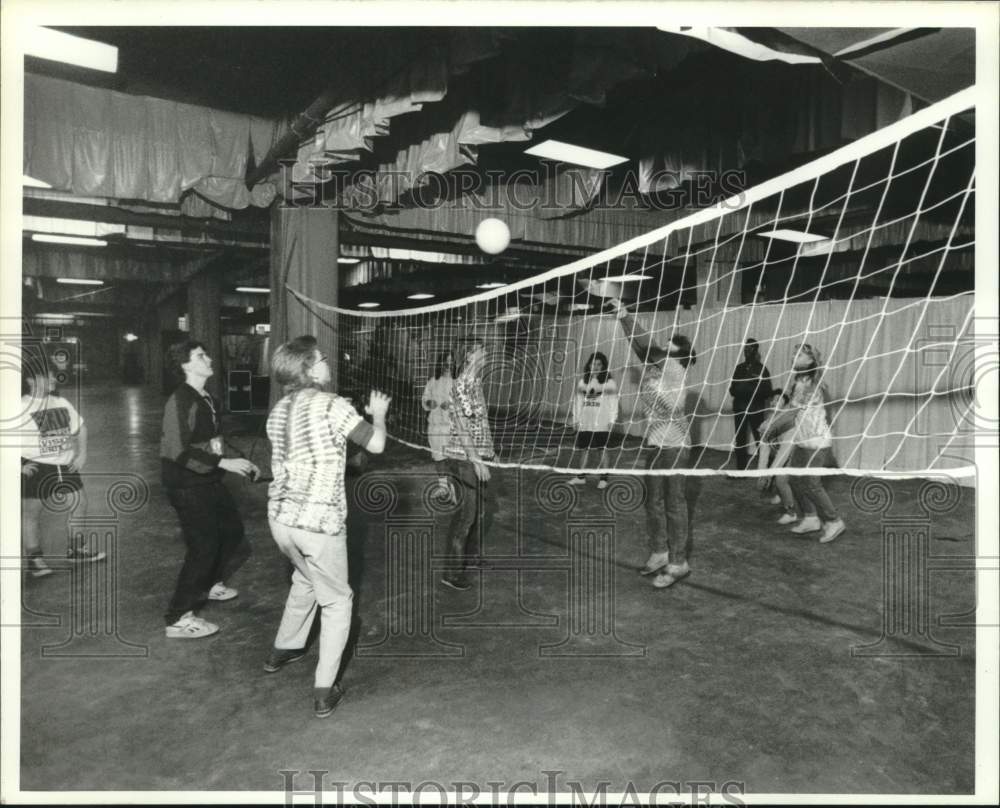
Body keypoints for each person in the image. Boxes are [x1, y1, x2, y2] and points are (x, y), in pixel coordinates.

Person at [263, 336, 389, 719]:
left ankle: (283, 649)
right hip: (319, 523)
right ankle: (324, 689)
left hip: (281, 521)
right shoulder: (333, 405)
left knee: (305, 580)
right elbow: (377, 445)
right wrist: (377, 414)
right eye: (320, 358)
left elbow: (318, 454)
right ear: (308, 368)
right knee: (337, 601)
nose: (326, 360)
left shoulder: (278, 410)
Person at [160, 340, 259, 639]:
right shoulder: (180, 399)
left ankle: (210, 584)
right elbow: (178, 451)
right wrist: (225, 464)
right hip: (186, 482)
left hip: (209, 479)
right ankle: (178, 617)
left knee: (232, 532)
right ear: (186, 365)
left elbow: (215, 441)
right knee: (203, 547)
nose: (209, 358)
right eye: (201, 355)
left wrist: (239, 459)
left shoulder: (208, 399)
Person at [610, 299, 700, 589]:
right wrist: (624, 321)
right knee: (653, 502)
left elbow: (646, 346)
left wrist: (626, 315)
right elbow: (641, 348)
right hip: (654, 443)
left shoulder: (675, 369)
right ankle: (660, 551)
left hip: (676, 445)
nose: (663, 346)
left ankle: (678, 561)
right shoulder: (654, 369)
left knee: (674, 503)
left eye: (668, 344)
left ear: (678, 353)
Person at [20, 362, 106, 578]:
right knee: (32, 513)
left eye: (52, 377)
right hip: (37, 467)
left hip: (65, 465)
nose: (52, 380)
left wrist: (82, 454)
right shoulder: (19, 406)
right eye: (47, 377)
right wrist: (19, 465)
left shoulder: (61, 402)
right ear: (30, 381)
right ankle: (34, 559)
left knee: (80, 503)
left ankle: (76, 550)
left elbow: (81, 427)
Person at [774, 344, 846, 544]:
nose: (793, 356)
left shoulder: (813, 384)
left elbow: (792, 412)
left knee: (812, 484)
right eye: (793, 352)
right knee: (796, 480)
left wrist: (769, 425)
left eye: (799, 354)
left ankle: (834, 521)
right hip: (802, 440)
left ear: (810, 361)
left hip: (817, 442)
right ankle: (811, 517)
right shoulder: (798, 380)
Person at [440, 339, 498, 591]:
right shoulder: (461, 386)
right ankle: (451, 573)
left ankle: (471, 557)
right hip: (464, 458)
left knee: (480, 511)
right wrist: (476, 460)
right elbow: (463, 430)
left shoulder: (476, 383)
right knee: (466, 515)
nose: (486, 354)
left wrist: (491, 452)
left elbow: (480, 423)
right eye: (482, 351)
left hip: (478, 454)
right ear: (470, 356)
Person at [756, 388, 816, 526]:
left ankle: (793, 513)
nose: (774, 402)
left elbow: (784, 453)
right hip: (784, 454)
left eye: (778, 399)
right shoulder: (766, 424)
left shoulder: (790, 424)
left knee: (781, 480)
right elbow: (764, 451)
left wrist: (768, 475)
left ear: (786, 404)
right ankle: (782, 495)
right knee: (777, 475)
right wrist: (760, 474)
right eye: (773, 399)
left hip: (801, 453)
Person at [570, 351, 619, 488]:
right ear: (589, 365)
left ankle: (604, 479)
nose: (596, 366)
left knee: (602, 450)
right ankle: (581, 477)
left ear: (603, 366)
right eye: (593, 364)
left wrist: (612, 420)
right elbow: (578, 402)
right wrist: (576, 419)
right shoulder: (582, 382)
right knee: (583, 450)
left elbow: (613, 403)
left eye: (599, 364)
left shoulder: (609, 383)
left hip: (602, 424)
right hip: (585, 423)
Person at [729, 338, 773, 470]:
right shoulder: (739, 368)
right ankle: (740, 471)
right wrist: (745, 388)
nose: (746, 351)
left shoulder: (762, 369)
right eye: (745, 349)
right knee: (740, 441)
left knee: (760, 441)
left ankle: (764, 471)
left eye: (750, 349)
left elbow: (767, 392)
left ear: (755, 351)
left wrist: (749, 389)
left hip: (756, 409)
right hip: (740, 409)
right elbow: (732, 389)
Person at [422, 351, 456, 500]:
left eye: (451, 362)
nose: (448, 365)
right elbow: (425, 399)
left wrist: (451, 405)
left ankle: (454, 487)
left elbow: (463, 403)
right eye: (445, 362)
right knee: (438, 457)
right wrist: (430, 402)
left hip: (450, 426)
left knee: (451, 458)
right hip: (435, 426)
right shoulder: (433, 381)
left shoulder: (457, 382)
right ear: (441, 364)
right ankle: (443, 488)